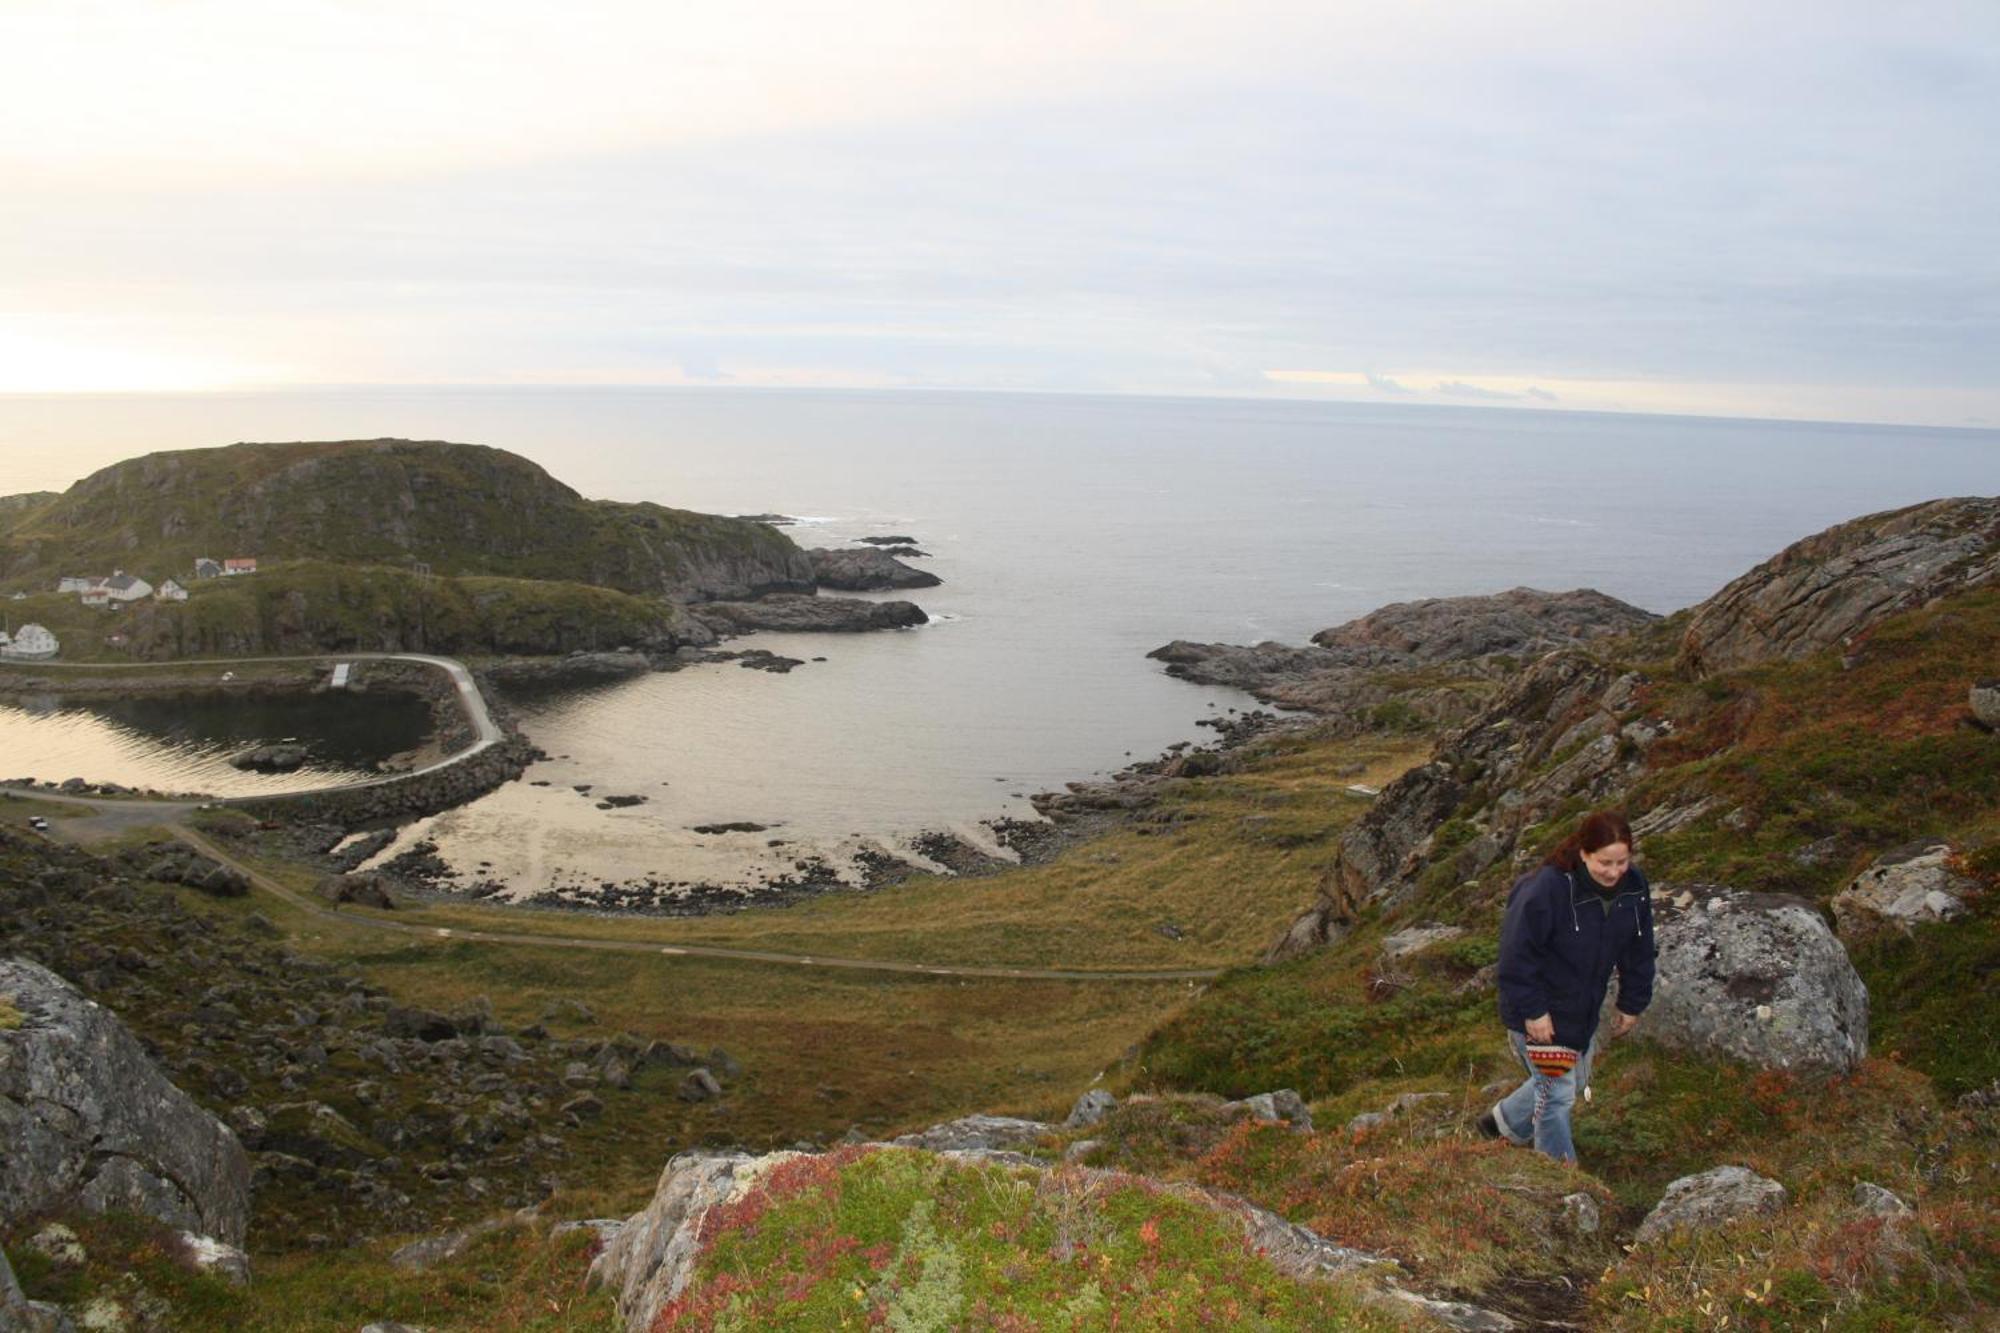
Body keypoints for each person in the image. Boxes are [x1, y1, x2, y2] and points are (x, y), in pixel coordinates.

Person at [1479, 809, 1656, 1164]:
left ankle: (1500, 1125)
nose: (1614, 871)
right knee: (1557, 1096)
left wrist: (1632, 1002)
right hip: (1539, 1012)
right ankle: (1560, 1174)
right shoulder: (1547, 889)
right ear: (1584, 852)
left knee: (1568, 1082)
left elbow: (1639, 947)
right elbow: (1516, 956)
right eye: (1605, 862)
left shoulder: (1634, 886)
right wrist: (1534, 1012)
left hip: (1581, 1011)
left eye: (1622, 861)